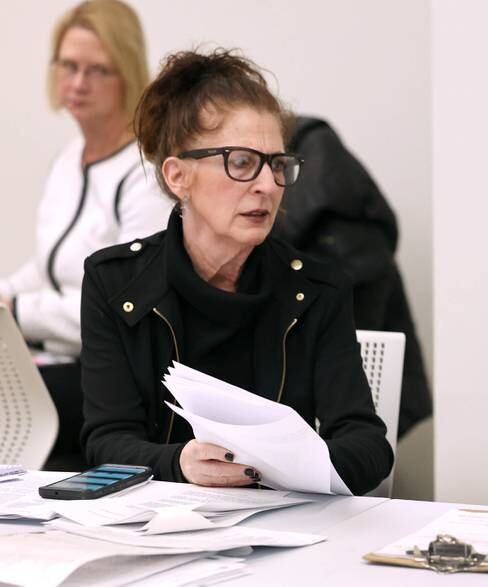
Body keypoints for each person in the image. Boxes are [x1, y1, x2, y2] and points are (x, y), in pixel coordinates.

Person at [79, 48, 394, 495]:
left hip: (288, 532)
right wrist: (179, 461)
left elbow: (369, 448)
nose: (267, 185)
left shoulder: (317, 289)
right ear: (177, 176)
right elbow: (105, 440)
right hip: (161, 531)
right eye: (242, 162)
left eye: (278, 165)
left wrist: (287, 464)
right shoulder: (114, 283)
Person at [0, 0, 172, 467]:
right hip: (54, 360)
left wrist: (17, 312)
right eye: (69, 66)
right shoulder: (70, 158)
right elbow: (49, 265)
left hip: (112, 378)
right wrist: (5, 295)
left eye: (98, 70)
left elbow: (124, 306)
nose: (78, 83)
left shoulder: (145, 174)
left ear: (128, 75)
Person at [276, 117, 432, 438]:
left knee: (354, 420)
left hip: (354, 296)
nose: (264, 184)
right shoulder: (321, 156)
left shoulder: (314, 155)